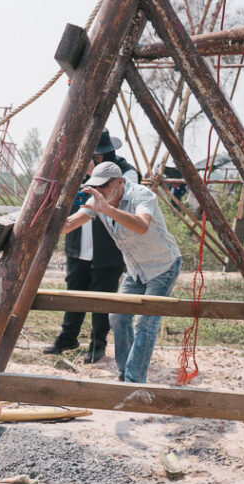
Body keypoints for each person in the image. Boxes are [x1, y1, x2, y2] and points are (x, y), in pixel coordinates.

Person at [62, 162, 182, 384]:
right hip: (136, 270)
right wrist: (41, 217)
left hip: (162, 267)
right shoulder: (98, 201)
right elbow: (68, 224)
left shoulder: (141, 195)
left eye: (104, 186)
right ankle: (125, 372)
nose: (100, 191)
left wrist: (107, 210)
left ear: (120, 182)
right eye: (96, 187)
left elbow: (142, 225)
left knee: (145, 324)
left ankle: (134, 381)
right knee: (117, 316)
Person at [44, 131, 127, 363]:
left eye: (96, 155)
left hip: (108, 249)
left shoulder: (124, 172)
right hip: (78, 243)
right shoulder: (76, 171)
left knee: (102, 297)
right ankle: (68, 337)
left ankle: (98, 343)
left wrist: (93, 176)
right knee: (74, 292)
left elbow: (117, 202)